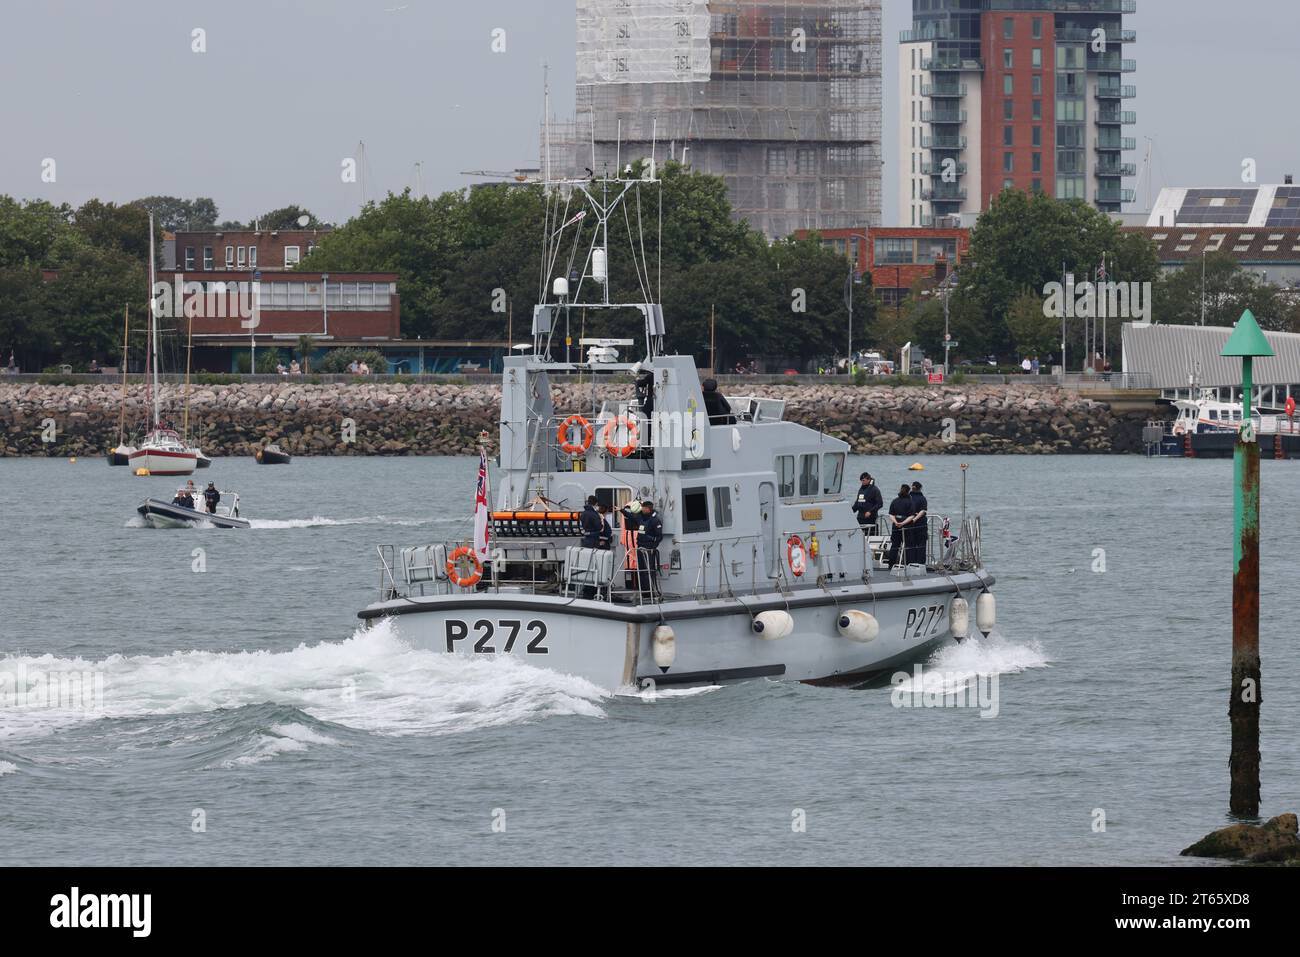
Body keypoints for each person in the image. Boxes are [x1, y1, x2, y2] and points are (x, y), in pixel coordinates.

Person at [635, 501, 663, 599]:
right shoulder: (641, 518)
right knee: (642, 571)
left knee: (649, 571)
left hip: (649, 549)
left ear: (648, 508)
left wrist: (653, 547)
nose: (642, 509)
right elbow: (632, 517)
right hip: (640, 548)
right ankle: (644, 592)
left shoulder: (655, 521)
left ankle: (651, 591)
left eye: (643, 507)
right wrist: (622, 510)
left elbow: (659, 537)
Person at [886, 484, 914, 568]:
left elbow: (891, 514)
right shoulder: (910, 502)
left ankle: (891, 564)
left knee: (894, 545)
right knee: (908, 546)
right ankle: (908, 564)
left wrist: (896, 522)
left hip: (895, 526)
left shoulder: (895, 501)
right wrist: (903, 523)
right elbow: (911, 516)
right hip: (907, 526)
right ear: (908, 491)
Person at [907, 481, 929, 566]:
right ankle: (920, 562)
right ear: (920, 488)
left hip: (908, 523)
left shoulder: (908, 498)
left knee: (910, 543)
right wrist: (915, 518)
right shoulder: (922, 499)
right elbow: (923, 511)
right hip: (920, 524)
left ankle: (910, 561)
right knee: (921, 543)